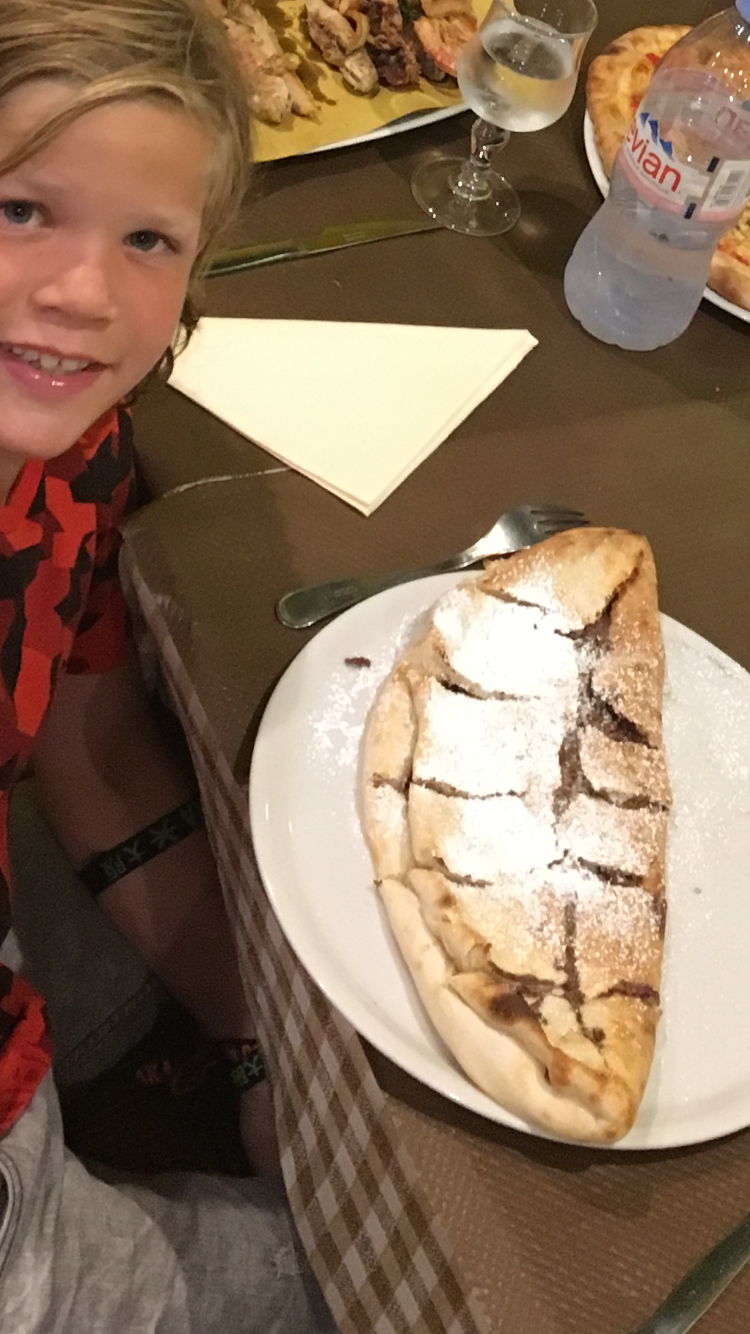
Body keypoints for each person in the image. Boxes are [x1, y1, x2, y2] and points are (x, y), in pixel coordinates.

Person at [0, 1, 335, 1329]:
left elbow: (86, 738)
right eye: (21, 209)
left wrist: (251, 1042)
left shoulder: (73, 454)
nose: (84, 294)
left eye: (147, 239)